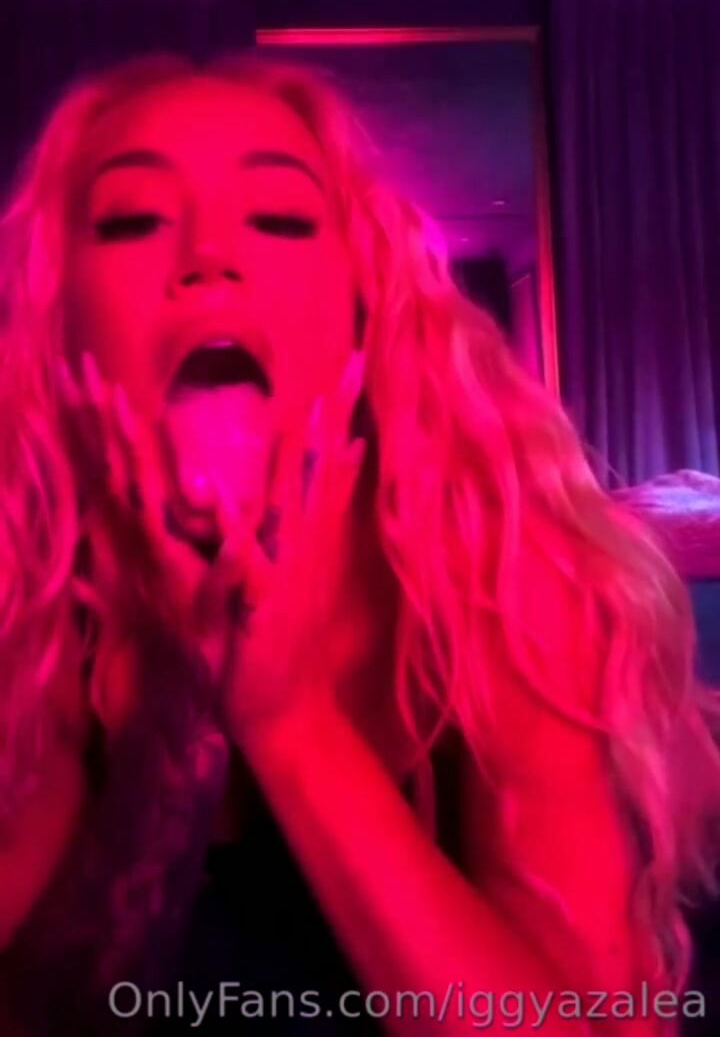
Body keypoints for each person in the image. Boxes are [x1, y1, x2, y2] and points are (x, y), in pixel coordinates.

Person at [0, 53, 717, 1037]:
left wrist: (289, 720)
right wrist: (174, 727)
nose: (209, 257)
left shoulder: (506, 576)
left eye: (279, 219)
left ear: (360, 308)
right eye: (132, 220)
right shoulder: (31, 594)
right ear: (61, 322)